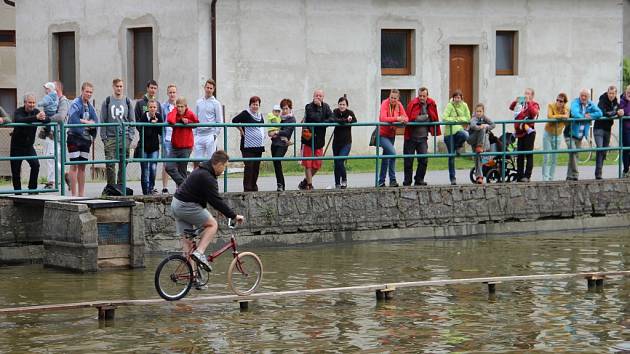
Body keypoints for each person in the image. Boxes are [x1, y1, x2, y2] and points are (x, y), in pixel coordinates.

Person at [171, 150, 245, 273]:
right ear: (219, 164)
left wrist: (219, 208)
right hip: (186, 206)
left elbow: (205, 195)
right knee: (212, 225)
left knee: (188, 245)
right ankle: (200, 253)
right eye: (225, 167)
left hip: (176, 204)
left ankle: (192, 277)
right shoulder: (208, 177)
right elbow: (215, 200)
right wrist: (233, 216)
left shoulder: (202, 170)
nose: (224, 170)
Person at [10, 94, 49, 194]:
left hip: (28, 147)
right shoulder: (19, 111)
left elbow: (48, 120)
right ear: (25, 103)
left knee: (35, 165)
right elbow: (19, 120)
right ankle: (18, 195)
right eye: (29, 102)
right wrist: (36, 118)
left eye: (33, 102)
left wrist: (43, 117)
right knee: (16, 171)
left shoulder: (36, 111)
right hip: (16, 147)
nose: (32, 105)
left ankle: (32, 190)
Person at [100, 78, 135, 187]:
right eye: (117, 86)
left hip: (124, 137)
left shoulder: (127, 101)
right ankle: (111, 187)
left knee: (123, 163)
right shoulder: (107, 101)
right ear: (113, 87)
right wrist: (104, 138)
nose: (119, 88)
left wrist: (130, 137)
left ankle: (121, 186)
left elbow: (132, 120)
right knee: (110, 163)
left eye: (121, 86)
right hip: (110, 137)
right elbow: (103, 120)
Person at [404, 87, 441, 186]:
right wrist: (425, 117)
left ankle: (419, 180)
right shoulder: (413, 103)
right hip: (410, 137)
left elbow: (433, 118)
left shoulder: (431, 104)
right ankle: (407, 181)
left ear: (427, 96)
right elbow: (412, 119)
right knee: (408, 161)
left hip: (423, 138)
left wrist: (423, 118)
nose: (421, 98)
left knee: (424, 159)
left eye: (424, 96)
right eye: (420, 96)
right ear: (418, 95)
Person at [67, 82, 98, 197]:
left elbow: (96, 122)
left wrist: (86, 122)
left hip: (85, 139)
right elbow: (73, 119)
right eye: (87, 91)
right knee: (74, 165)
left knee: (83, 166)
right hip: (74, 137)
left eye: (91, 92)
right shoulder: (75, 103)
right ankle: (73, 195)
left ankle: (81, 194)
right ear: (82, 91)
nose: (89, 94)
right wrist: (87, 122)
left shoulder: (91, 107)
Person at [299, 89, 334, 190]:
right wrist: (319, 108)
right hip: (308, 139)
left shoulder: (326, 106)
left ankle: (305, 181)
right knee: (308, 164)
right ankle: (309, 185)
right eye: (316, 95)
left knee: (317, 164)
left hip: (319, 141)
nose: (318, 97)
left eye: (320, 96)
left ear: (323, 97)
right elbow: (315, 118)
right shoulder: (309, 106)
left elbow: (332, 118)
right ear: (313, 96)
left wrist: (324, 123)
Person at [565, 89, 602, 181]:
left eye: (585, 96)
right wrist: (585, 116)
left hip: (580, 136)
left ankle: (569, 176)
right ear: (579, 95)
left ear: (588, 97)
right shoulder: (575, 102)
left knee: (574, 155)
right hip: (569, 134)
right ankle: (575, 174)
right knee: (573, 152)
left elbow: (600, 113)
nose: (583, 97)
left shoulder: (590, 104)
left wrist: (591, 116)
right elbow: (575, 113)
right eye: (582, 95)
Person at [232, 96, 266, 192]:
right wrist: (240, 129)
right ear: (250, 105)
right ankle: (247, 188)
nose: (255, 106)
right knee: (249, 166)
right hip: (247, 146)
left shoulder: (260, 115)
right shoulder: (245, 113)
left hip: (259, 146)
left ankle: (254, 186)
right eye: (253, 104)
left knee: (256, 167)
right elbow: (234, 121)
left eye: (257, 104)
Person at [42, 80, 70, 189]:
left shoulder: (63, 101)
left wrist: (47, 119)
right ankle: (53, 180)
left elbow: (61, 117)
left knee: (52, 158)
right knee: (51, 158)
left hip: (58, 134)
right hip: (51, 134)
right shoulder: (53, 101)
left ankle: (57, 179)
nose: (47, 92)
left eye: (49, 89)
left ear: (56, 89)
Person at [378, 89, 408, 187]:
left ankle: (381, 181)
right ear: (389, 96)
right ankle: (392, 179)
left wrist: (403, 119)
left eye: (395, 98)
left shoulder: (399, 105)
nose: (393, 100)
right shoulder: (384, 103)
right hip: (382, 134)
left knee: (386, 158)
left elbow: (406, 117)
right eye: (391, 97)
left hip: (392, 135)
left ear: (398, 98)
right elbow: (383, 118)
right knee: (393, 154)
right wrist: (397, 118)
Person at [166, 97, 198, 186]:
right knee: (168, 167)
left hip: (186, 147)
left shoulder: (189, 113)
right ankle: (185, 185)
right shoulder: (174, 112)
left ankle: (182, 192)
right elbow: (170, 120)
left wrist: (188, 121)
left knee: (182, 170)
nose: (180, 109)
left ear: (186, 107)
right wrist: (175, 111)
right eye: (178, 106)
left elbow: (196, 123)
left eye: (182, 107)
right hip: (175, 146)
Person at [509, 88, 539, 182]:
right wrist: (516, 101)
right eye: (525, 93)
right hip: (520, 132)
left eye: (528, 93)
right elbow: (511, 107)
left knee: (528, 154)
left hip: (529, 133)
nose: (526, 95)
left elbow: (533, 113)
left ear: (532, 96)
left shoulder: (534, 104)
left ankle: (527, 176)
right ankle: (520, 175)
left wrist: (529, 102)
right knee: (520, 155)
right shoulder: (521, 104)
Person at [442, 90, 470, 185]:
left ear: (461, 98)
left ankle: (458, 146)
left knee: (465, 135)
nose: (457, 99)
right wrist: (456, 120)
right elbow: (445, 118)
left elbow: (468, 118)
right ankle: (452, 178)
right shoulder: (449, 105)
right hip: (449, 133)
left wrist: (456, 120)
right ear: (453, 98)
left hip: (459, 131)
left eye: (459, 97)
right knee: (451, 157)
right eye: (455, 97)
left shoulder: (464, 105)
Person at [596, 86, 623, 179]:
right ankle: (598, 174)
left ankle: (599, 172)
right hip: (598, 128)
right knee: (600, 149)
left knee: (604, 152)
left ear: (615, 94)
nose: (611, 95)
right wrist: (615, 112)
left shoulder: (615, 102)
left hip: (607, 129)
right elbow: (603, 113)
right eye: (610, 93)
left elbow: (620, 110)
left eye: (613, 93)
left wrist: (620, 112)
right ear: (607, 93)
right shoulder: (602, 99)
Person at [194, 79, 223, 169]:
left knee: (210, 161)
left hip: (210, 135)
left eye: (211, 88)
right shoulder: (198, 102)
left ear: (213, 89)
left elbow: (219, 121)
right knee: (197, 161)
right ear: (204, 88)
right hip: (199, 135)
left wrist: (215, 135)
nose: (209, 89)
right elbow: (195, 119)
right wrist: (194, 134)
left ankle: (210, 181)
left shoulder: (216, 103)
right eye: (207, 87)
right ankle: (197, 181)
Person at [269, 99, 295, 191]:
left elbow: (287, 132)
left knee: (277, 160)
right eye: (283, 109)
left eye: (286, 108)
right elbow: (273, 127)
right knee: (276, 163)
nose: (284, 111)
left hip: (283, 144)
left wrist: (277, 132)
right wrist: (271, 132)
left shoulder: (292, 119)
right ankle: (280, 185)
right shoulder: (279, 118)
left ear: (290, 108)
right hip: (275, 142)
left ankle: (281, 184)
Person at [137, 99, 163, 195]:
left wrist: (156, 124)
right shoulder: (144, 117)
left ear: (157, 108)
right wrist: (150, 123)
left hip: (154, 147)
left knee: (153, 167)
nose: (152, 109)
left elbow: (161, 132)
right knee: (145, 169)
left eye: (154, 107)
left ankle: (151, 188)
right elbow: (142, 131)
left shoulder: (159, 116)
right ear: (147, 108)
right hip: (144, 147)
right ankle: (145, 191)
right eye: (151, 107)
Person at [542, 92, 569, 181]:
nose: (558, 102)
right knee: (546, 156)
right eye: (557, 100)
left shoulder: (566, 109)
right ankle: (545, 178)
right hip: (548, 133)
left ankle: (551, 178)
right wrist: (561, 116)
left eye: (561, 101)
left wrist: (562, 117)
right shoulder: (551, 106)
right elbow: (550, 117)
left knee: (554, 158)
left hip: (558, 134)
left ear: (564, 102)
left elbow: (567, 121)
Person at [332, 96, 356, 189]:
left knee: (340, 161)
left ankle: (344, 179)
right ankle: (337, 183)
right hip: (336, 142)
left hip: (346, 142)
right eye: (340, 104)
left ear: (347, 105)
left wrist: (349, 120)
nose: (342, 106)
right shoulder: (335, 112)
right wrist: (346, 120)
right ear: (338, 105)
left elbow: (354, 120)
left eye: (344, 104)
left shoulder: (350, 113)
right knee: (336, 162)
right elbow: (335, 120)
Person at [467, 103, 495, 184]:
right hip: (471, 139)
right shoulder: (474, 118)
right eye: (477, 111)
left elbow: (493, 124)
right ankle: (480, 146)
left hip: (480, 141)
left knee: (477, 157)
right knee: (481, 129)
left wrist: (486, 128)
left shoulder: (484, 118)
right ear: (475, 112)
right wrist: (480, 127)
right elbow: (472, 125)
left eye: (480, 111)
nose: (478, 113)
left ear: (483, 112)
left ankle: (479, 177)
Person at [160, 84, 177, 193]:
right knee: (166, 163)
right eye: (170, 92)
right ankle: (165, 187)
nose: (172, 94)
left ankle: (178, 186)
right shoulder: (163, 107)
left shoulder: (179, 106)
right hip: (167, 138)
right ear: (167, 93)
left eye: (174, 92)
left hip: (177, 138)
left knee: (177, 163)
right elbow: (161, 122)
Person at [619, 85, 630, 177]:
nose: (629, 94)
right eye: (628, 93)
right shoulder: (622, 101)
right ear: (626, 92)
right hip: (626, 128)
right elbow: (624, 112)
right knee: (627, 149)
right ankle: (626, 169)